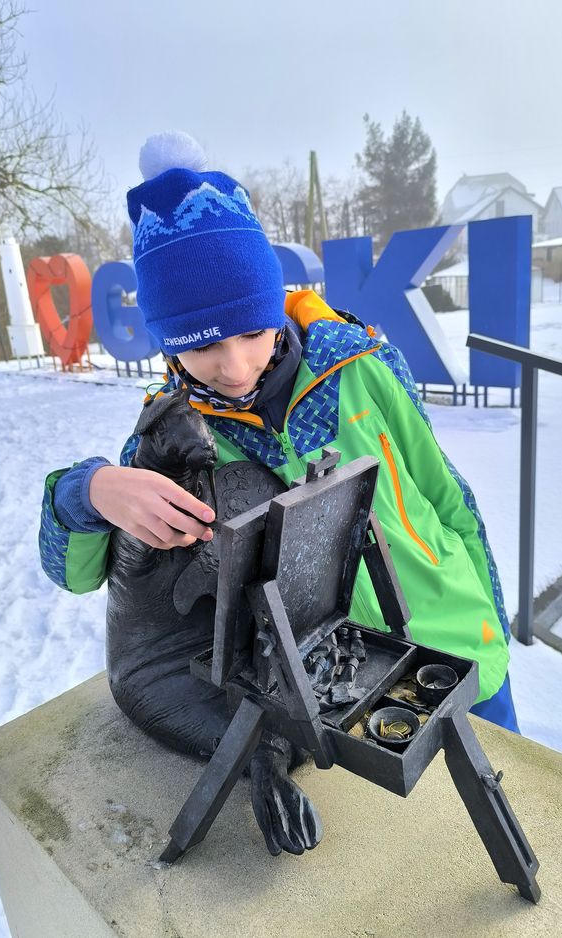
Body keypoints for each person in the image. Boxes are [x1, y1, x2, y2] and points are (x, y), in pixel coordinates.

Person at [39, 130, 519, 734]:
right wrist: (87, 491)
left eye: (252, 331)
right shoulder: (173, 438)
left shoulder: (363, 369)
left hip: (460, 649)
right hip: (339, 691)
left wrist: (491, 623)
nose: (235, 366)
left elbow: (448, 498)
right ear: (168, 344)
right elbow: (81, 574)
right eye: (204, 345)